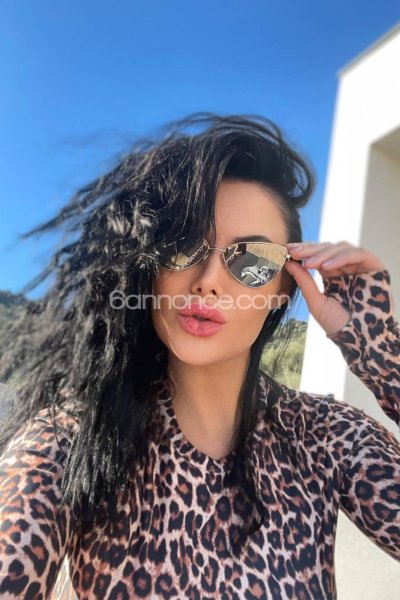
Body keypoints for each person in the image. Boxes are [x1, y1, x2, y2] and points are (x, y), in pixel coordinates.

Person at [0, 113, 398, 600]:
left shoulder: (325, 437)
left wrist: (378, 349)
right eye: (182, 244)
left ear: (282, 290)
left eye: (252, 259)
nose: (209, 281)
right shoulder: (75, 439)